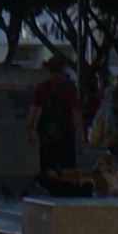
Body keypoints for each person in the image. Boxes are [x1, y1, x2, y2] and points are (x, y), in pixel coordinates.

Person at [26, 57, 81, 194]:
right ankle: (66, 191)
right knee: (67, 167)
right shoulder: (69, 87)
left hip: (45, 133)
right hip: (65, 132)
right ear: (62, 69)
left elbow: (32, 112)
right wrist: (81, 132)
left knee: (47, 167)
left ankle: (50, 192)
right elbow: (75, 112)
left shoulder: (41, 87)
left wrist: (28, 132)